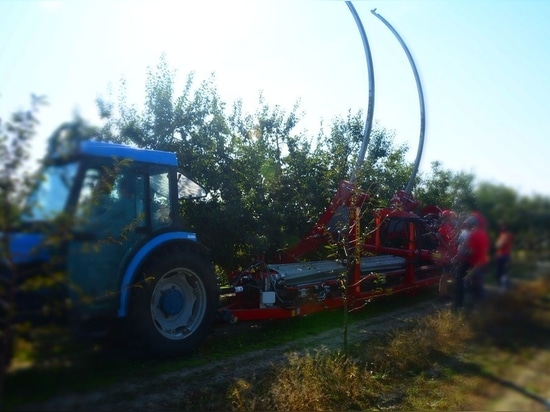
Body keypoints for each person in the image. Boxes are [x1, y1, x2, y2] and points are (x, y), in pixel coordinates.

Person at [453, 211, 490, 309]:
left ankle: (459, 305)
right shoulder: (483, 234)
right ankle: (479, 306)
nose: (468, 220)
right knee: (478, 284)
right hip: (481, 262)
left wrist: (460, 255)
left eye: (470, 219)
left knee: (460, 280)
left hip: (473, 262)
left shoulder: (474, 234)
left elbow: (471, 252)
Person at [437, 210, 457, 299]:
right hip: (445, 253)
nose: (452, 217)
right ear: (448, 217)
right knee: (445, 274)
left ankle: (444, 292)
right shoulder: (444, 227)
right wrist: (447, 247)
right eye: (451, 216)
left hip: (449, 252)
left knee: (446, 273)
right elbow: (440, 237)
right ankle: (442, 294)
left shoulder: (449, 226)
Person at [495, 222, 513, 290]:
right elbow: (498, 245)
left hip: (505, 255)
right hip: (500, 255)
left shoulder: (508, 234)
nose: (500, 228)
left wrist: (498, 244)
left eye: (502, 226)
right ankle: (499, 284)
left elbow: (500, 245)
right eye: (500, 226)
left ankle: (506, 286)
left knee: (504, 271)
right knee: (499, 270)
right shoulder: (502, 234)